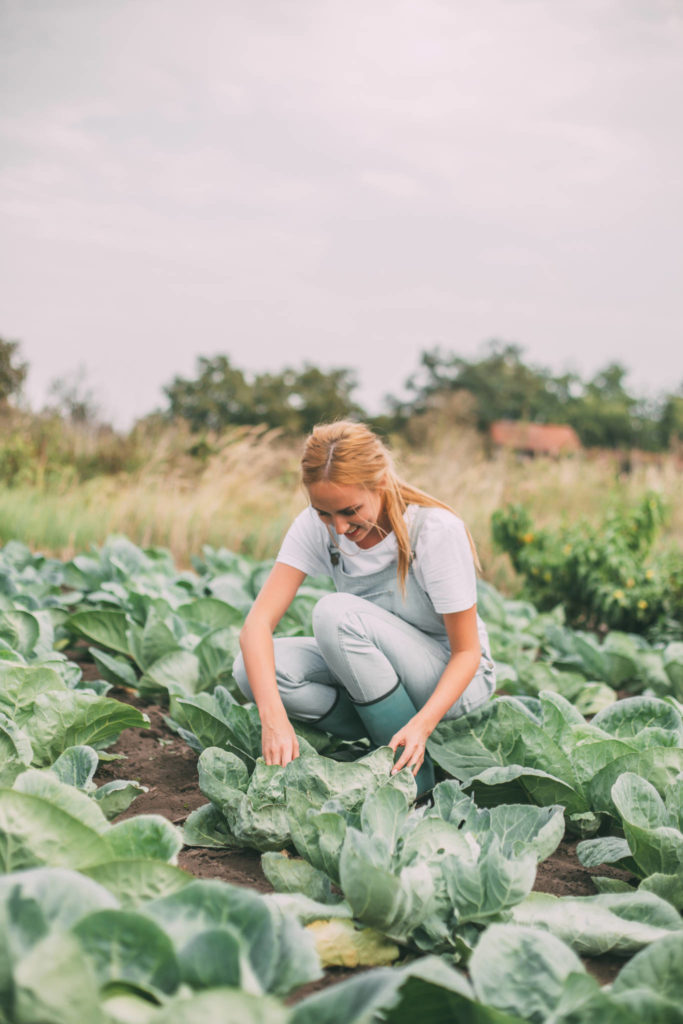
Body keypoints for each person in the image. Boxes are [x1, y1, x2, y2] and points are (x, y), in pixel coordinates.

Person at [233, 420, 496, 797]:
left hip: (453, 677)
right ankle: (383, 731)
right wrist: (272, 719)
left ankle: (411, 780)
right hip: (375, 668)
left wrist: (421, 726)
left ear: (381, 484)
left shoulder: (435, 531)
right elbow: (256, 625)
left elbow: (467, 653)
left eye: (349, 510)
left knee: (335, 614)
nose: (338, 528)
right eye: (324, 513)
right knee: (251, 671)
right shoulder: (315, 526)